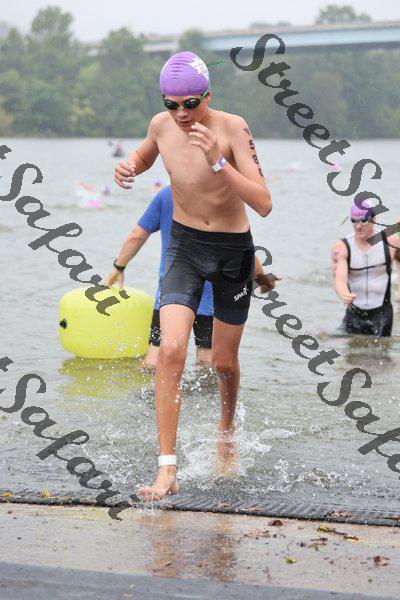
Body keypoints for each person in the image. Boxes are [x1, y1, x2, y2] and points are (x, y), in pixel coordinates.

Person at [110, 51, 272, 501]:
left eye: (190, 104)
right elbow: (144, 158)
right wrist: (127, 167)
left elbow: (263, 203)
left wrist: (219, 160)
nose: (181, 114)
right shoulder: (161, 126)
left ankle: (226, 432)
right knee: (170, 349)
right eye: (171, 104)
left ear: (208, 96)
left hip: (232, 251)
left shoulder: (233, 128)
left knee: (222, 363)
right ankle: (167, 469)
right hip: (184, 248)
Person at [105, 184, 277, 370]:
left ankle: (150, 389)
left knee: (156, 356)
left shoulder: (166, 195)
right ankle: (206, 390)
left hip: (172, 293)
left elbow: (137, 235)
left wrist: (119, 266)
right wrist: (262, 279)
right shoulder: (220, 194)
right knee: (207, 360)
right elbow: (242, 247)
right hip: (211, 296)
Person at [332, 201, 400, 336]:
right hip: (354, 312)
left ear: (374, 219)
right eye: (354, 221)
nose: (358, 226)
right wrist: (343, 293)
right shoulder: (342, 247)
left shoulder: (390, 242)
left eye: (363, 221)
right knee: (347, 346)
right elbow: (339, 278)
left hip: (382, 312)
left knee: (382, 348)